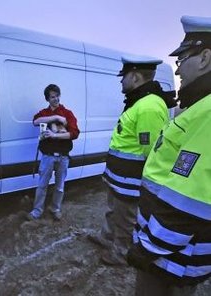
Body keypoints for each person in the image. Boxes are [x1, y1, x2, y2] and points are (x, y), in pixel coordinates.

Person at [127, 15, 211, 295]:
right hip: (171, 251)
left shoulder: (208, 112)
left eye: (181, 60)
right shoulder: (200, 107)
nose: (178, 71)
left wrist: (148, 248)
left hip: (171, 259)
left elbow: (187, 201)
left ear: (204, 58)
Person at [88, 55, 176, 266]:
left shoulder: (148, 106)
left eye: (124, 76)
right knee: (113, 211)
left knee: (125, 218)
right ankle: (106, 237)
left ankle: (120, 253)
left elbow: (152, 152)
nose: (121, 81)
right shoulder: (140, 101)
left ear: (135, 76)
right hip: (120, 178)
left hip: (130, 181)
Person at [27, 84, 80, 221]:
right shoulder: (44, 113)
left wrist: (55, 135)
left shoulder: (68, 113)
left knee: (60, 186)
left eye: (57, 96)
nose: (56, 99)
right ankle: (37, 211)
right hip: (47, 156)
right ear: (47, 99)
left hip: (63, 157)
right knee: (42, 185)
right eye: (52, 97)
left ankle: (55, 209)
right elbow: (35, 121)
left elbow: (74, 133)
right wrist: (56, 117)